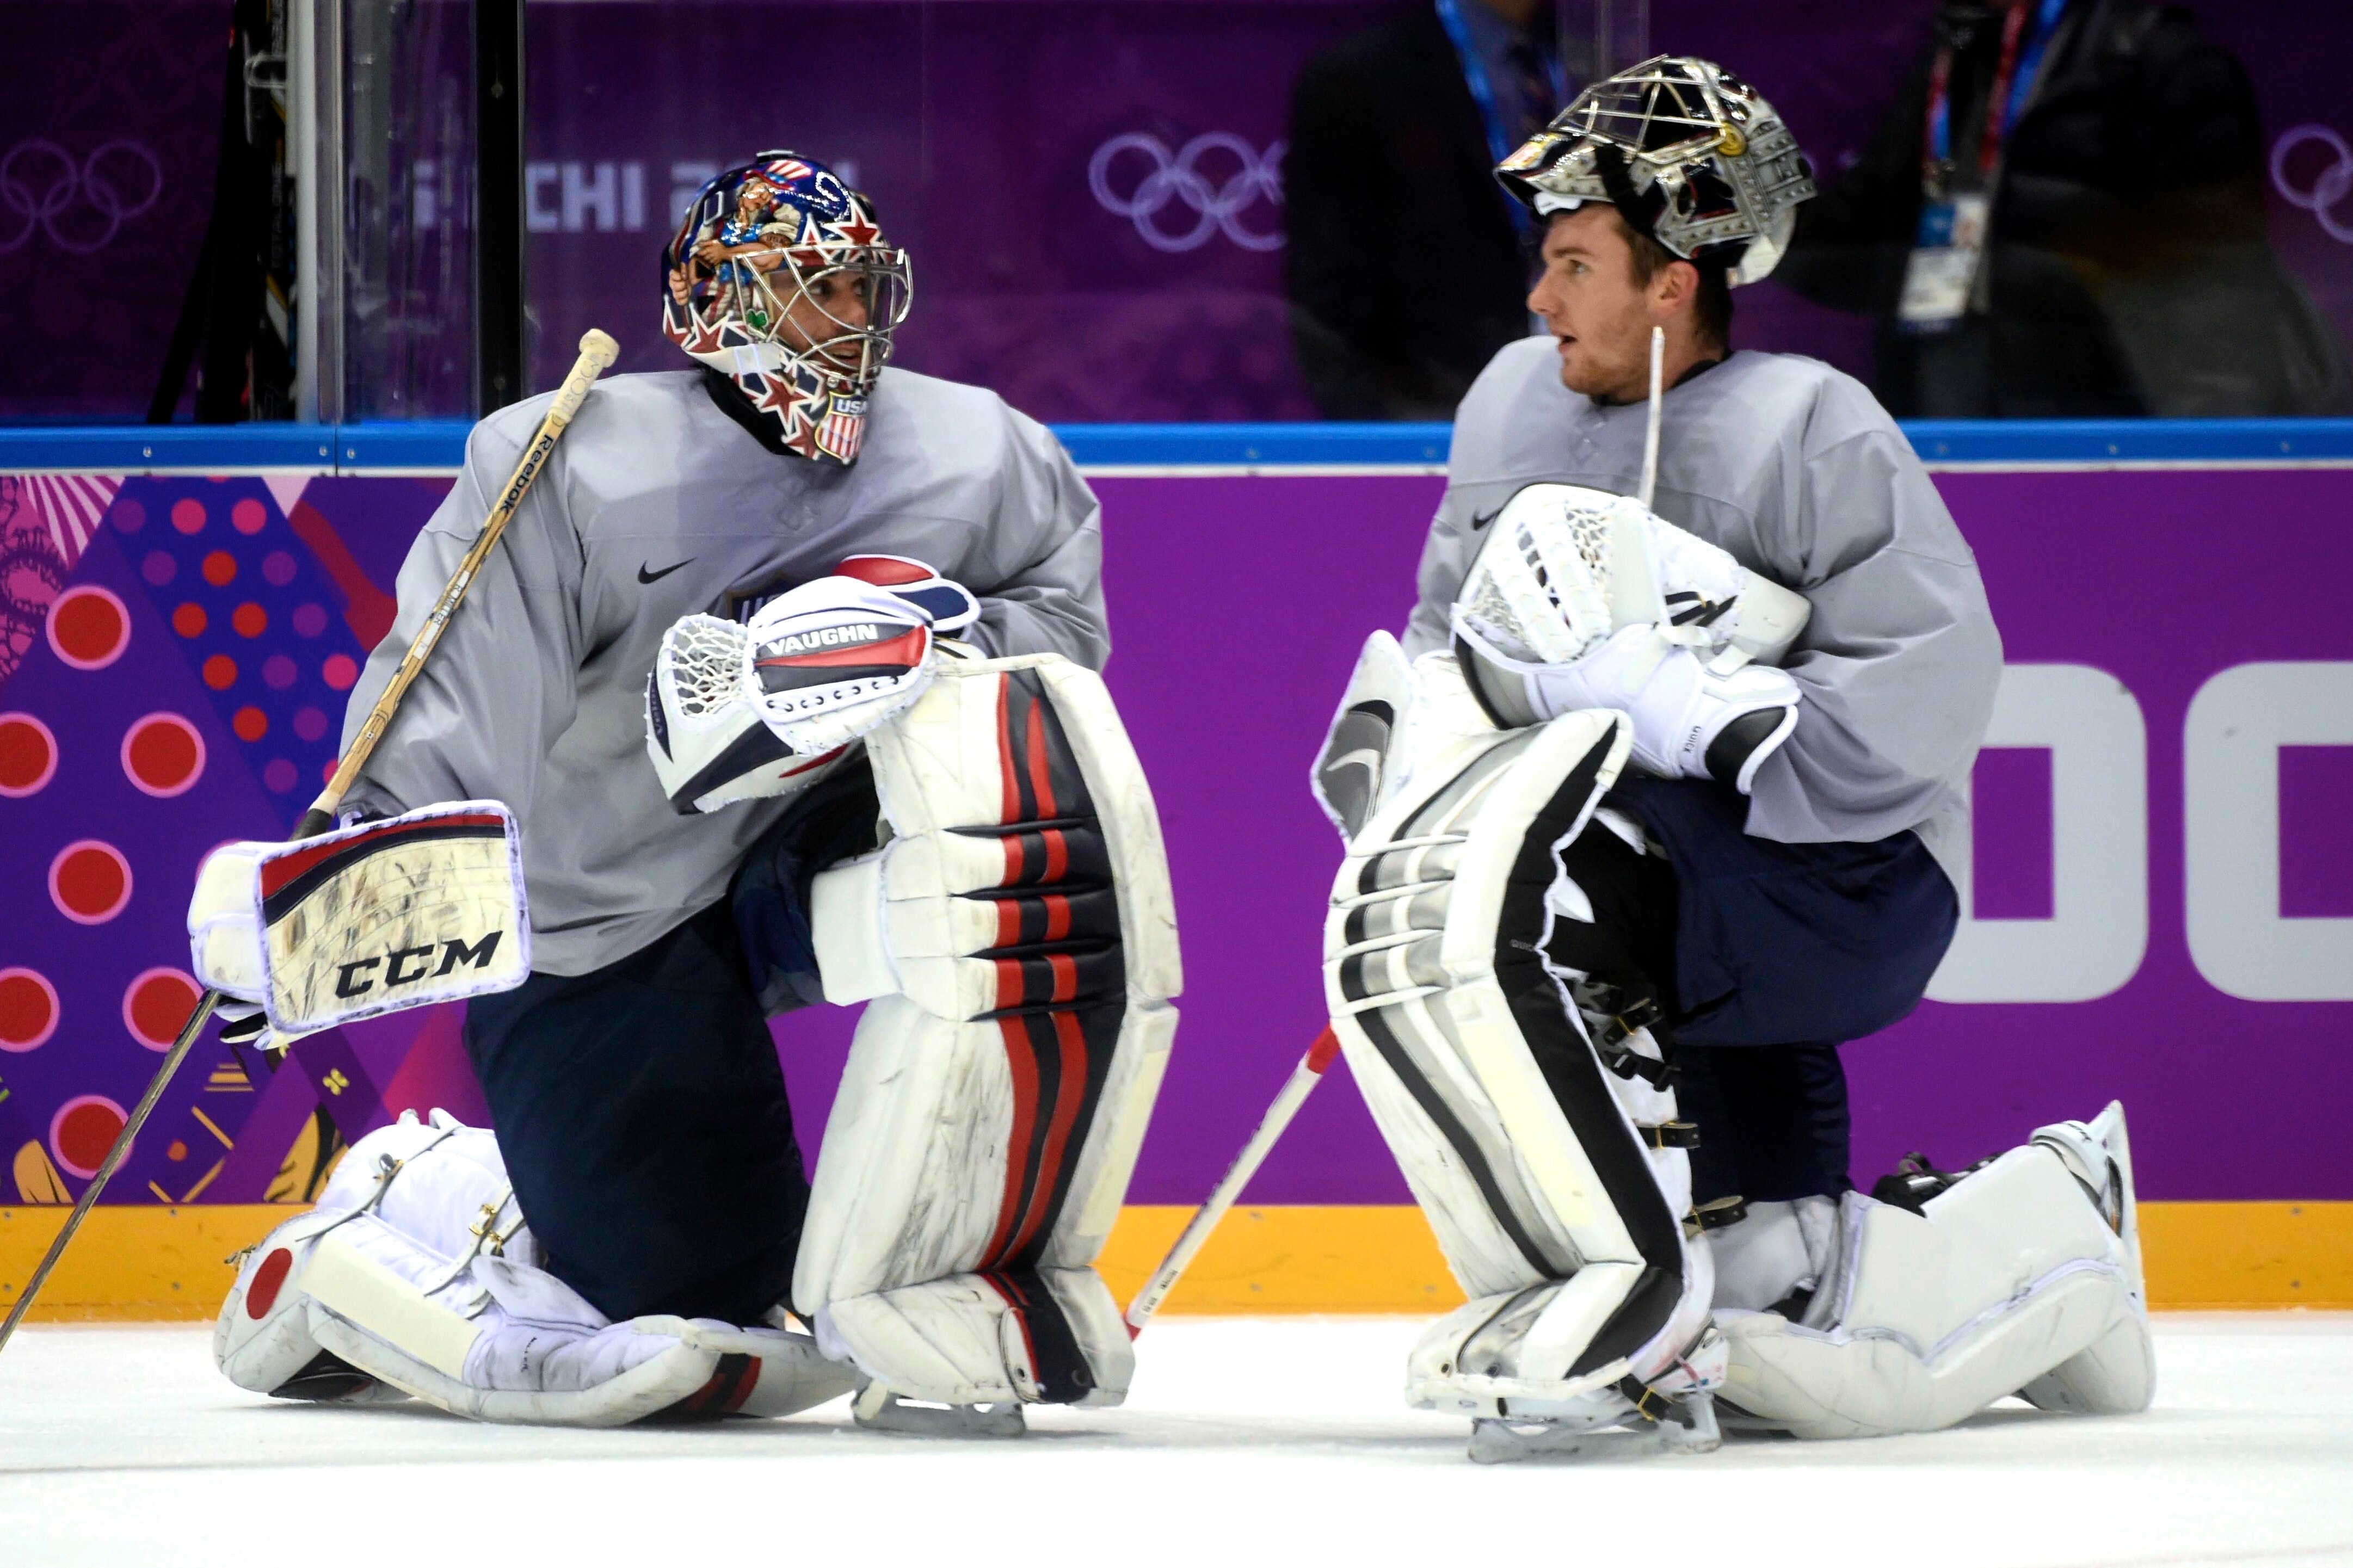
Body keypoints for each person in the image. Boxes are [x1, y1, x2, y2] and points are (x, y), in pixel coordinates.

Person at [187, 152, 1179, 1430]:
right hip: (612, 898)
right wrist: (325, 915)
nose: (852, 323)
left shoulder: (982, 451)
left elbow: (1056, 621)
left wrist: (921, 637)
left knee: (1016, 847)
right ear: (720, 305)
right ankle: (417, 1198)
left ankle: (953, 1257)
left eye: (863, 287)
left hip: (818, 841)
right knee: (700, 1284)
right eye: (812, 291)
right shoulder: (576, 462)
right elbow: (451, 710)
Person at [1313, 57, 2154, 1456]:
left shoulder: (1812, 425)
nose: (1539, 297)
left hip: (1848, 881)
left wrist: (1691, 707)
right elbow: (1442, 628)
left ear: (1675, 280)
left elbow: (1928, 690)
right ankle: (1995, 1229)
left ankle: (1664, 1294)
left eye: (1575, 263)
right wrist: (1411, 743)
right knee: (1781, 1300)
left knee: (1568, 884)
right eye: (1543, 260)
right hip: (1645, 859)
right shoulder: (1508, 405)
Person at [1775, 0, 2350, 417]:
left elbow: (2216, 301)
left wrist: (2203, 468)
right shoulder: (1957, 56)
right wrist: (1745, 225)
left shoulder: (2161, 62)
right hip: (1951, 410)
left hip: (2102, 431)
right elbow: (1853, 232)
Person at [1284, 0, 1564, 419]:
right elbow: (1329, 289)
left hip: (1600, 405)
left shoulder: (1605, 54)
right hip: (1434, 415)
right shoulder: (1361, 77)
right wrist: (1385, 438)